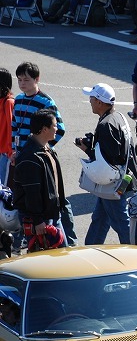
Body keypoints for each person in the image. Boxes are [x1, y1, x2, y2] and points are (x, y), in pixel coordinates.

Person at [12, 62, 74, 245]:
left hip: (40, 155)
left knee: (54, 198)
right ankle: (23, 237)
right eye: (20, 80)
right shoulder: (19, 100)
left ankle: (69, 240)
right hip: (23, 155)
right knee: (27, 194)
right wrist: (15, 151)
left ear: (37, 79)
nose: (22, 84)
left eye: (27, 80)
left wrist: (43, 146)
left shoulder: (46, 102)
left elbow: (60, 129)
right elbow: (14, 128)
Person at [80, 83, 135, 246]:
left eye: (92, 97)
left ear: (99, 102)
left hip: (113, 182)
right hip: (125, 176)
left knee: (120, 222)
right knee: (100, 218)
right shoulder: (118, 117)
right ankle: (90, 250)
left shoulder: (106, 125)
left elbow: (109, 161)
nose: (89, 100)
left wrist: (88, 150)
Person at [10, 109, 68, 249]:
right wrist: (37, 221)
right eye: (54, 125)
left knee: (61, 257)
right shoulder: (30, 157)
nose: (57, 128)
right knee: (46, 262)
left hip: (50, 215)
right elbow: (32, 192)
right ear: (44, 129)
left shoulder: (46, 149)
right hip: (41, 220)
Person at [0, 69, 13, 188]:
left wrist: (10, 151)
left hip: (4, 154)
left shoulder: (8, 102)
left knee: (3, 188)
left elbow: (11, 129)